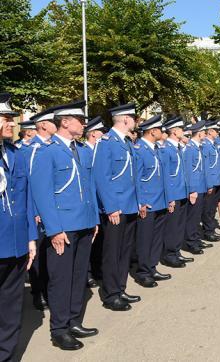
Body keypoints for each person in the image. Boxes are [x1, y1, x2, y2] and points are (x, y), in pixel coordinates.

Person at [30, 100, 99, 350]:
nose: (84, 124)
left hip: (83, 223)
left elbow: (88, 187)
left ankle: (73, 321)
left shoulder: (78, 149)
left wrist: (94, 221)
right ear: (65, 122)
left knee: (79, 276)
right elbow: (42, 194)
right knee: (61, 279)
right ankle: (59, 329)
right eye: (81, 120)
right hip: (63, 227)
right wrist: (54, 229)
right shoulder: (48, 152)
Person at [93, 102, 141, 311]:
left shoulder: (126, 142)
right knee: (112, 252)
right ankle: (111, 294)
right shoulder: (106, 142)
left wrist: (139, 203)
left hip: (129, 205)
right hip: (116, 208)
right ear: (125, 120)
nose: (135, 122)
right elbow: (101, 177)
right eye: (133, 118)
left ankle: (120, 288)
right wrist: (111, 207)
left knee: (124, 250)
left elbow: (132, 177)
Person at [0, 93, 36, 360]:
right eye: (5, 119)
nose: (12, 124)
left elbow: (27, 200)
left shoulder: (15, 155)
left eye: (11, 119)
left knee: (11, 307)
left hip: (15, 244)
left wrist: (31, 239)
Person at [132, 115, 172, 288]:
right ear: (153, 131)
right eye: (160, 130)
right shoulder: (139, 149)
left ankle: (152, 266)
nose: (162, 133)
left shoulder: (155, 148)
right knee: (145, 239)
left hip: (160, 200)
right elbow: (137, 178)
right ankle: (143, 272)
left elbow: (163, 177)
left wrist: (169, 199)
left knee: (156, 237)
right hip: (148, 202)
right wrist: (140, 201)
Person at [25, 106, 57, 310]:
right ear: (44, 125)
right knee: (37, 254)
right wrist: (36, 210)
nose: (57, 123)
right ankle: (38, 292)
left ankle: (49, 289)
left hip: (55, 209)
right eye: (53, 121)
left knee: (51, 253)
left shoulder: (54, 146)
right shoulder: (31, 149)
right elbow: (31, 184)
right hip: (38, 213)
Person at [158, 116, 193, 269]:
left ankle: (176, 251)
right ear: (173, 131)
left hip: (182, 192)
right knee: (172, 226)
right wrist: (170, 197)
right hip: (174, 193)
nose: (183, 131)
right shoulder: (166, 149)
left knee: (179, 225)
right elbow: (166, 175)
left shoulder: (177, 147)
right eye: (181, 129)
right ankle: (169, 254)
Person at [83, 116, 107, 289]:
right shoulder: (84, 150)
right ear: (92, 134)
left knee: (100, 240)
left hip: (101, 204)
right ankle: (88, 273)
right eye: (101, 132)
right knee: (89, 242)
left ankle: (97, 269)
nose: (103, 135)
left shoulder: (99, 150)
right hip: (91, 204)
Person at [183, 120, 210, 255]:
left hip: (201, 187)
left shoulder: (197, 147)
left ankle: (196, 238)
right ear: (199, 134)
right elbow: (189, 171)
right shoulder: (189, 149)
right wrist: (192, 190)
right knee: (192, 217)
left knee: (197, 216)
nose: (206, 134)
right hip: (195, 188)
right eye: (204, 132)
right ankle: (191, 242)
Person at [201, 121, 220, 242]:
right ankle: (208, 231)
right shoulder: (205, 145)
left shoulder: (212, 144)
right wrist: (209, 184)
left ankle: (211, 229)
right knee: (208, 208)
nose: (218, 133)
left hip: (216, 180)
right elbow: (206, 167)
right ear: (210, 131)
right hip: (211, 181)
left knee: (212, 207)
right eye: (216, 130)